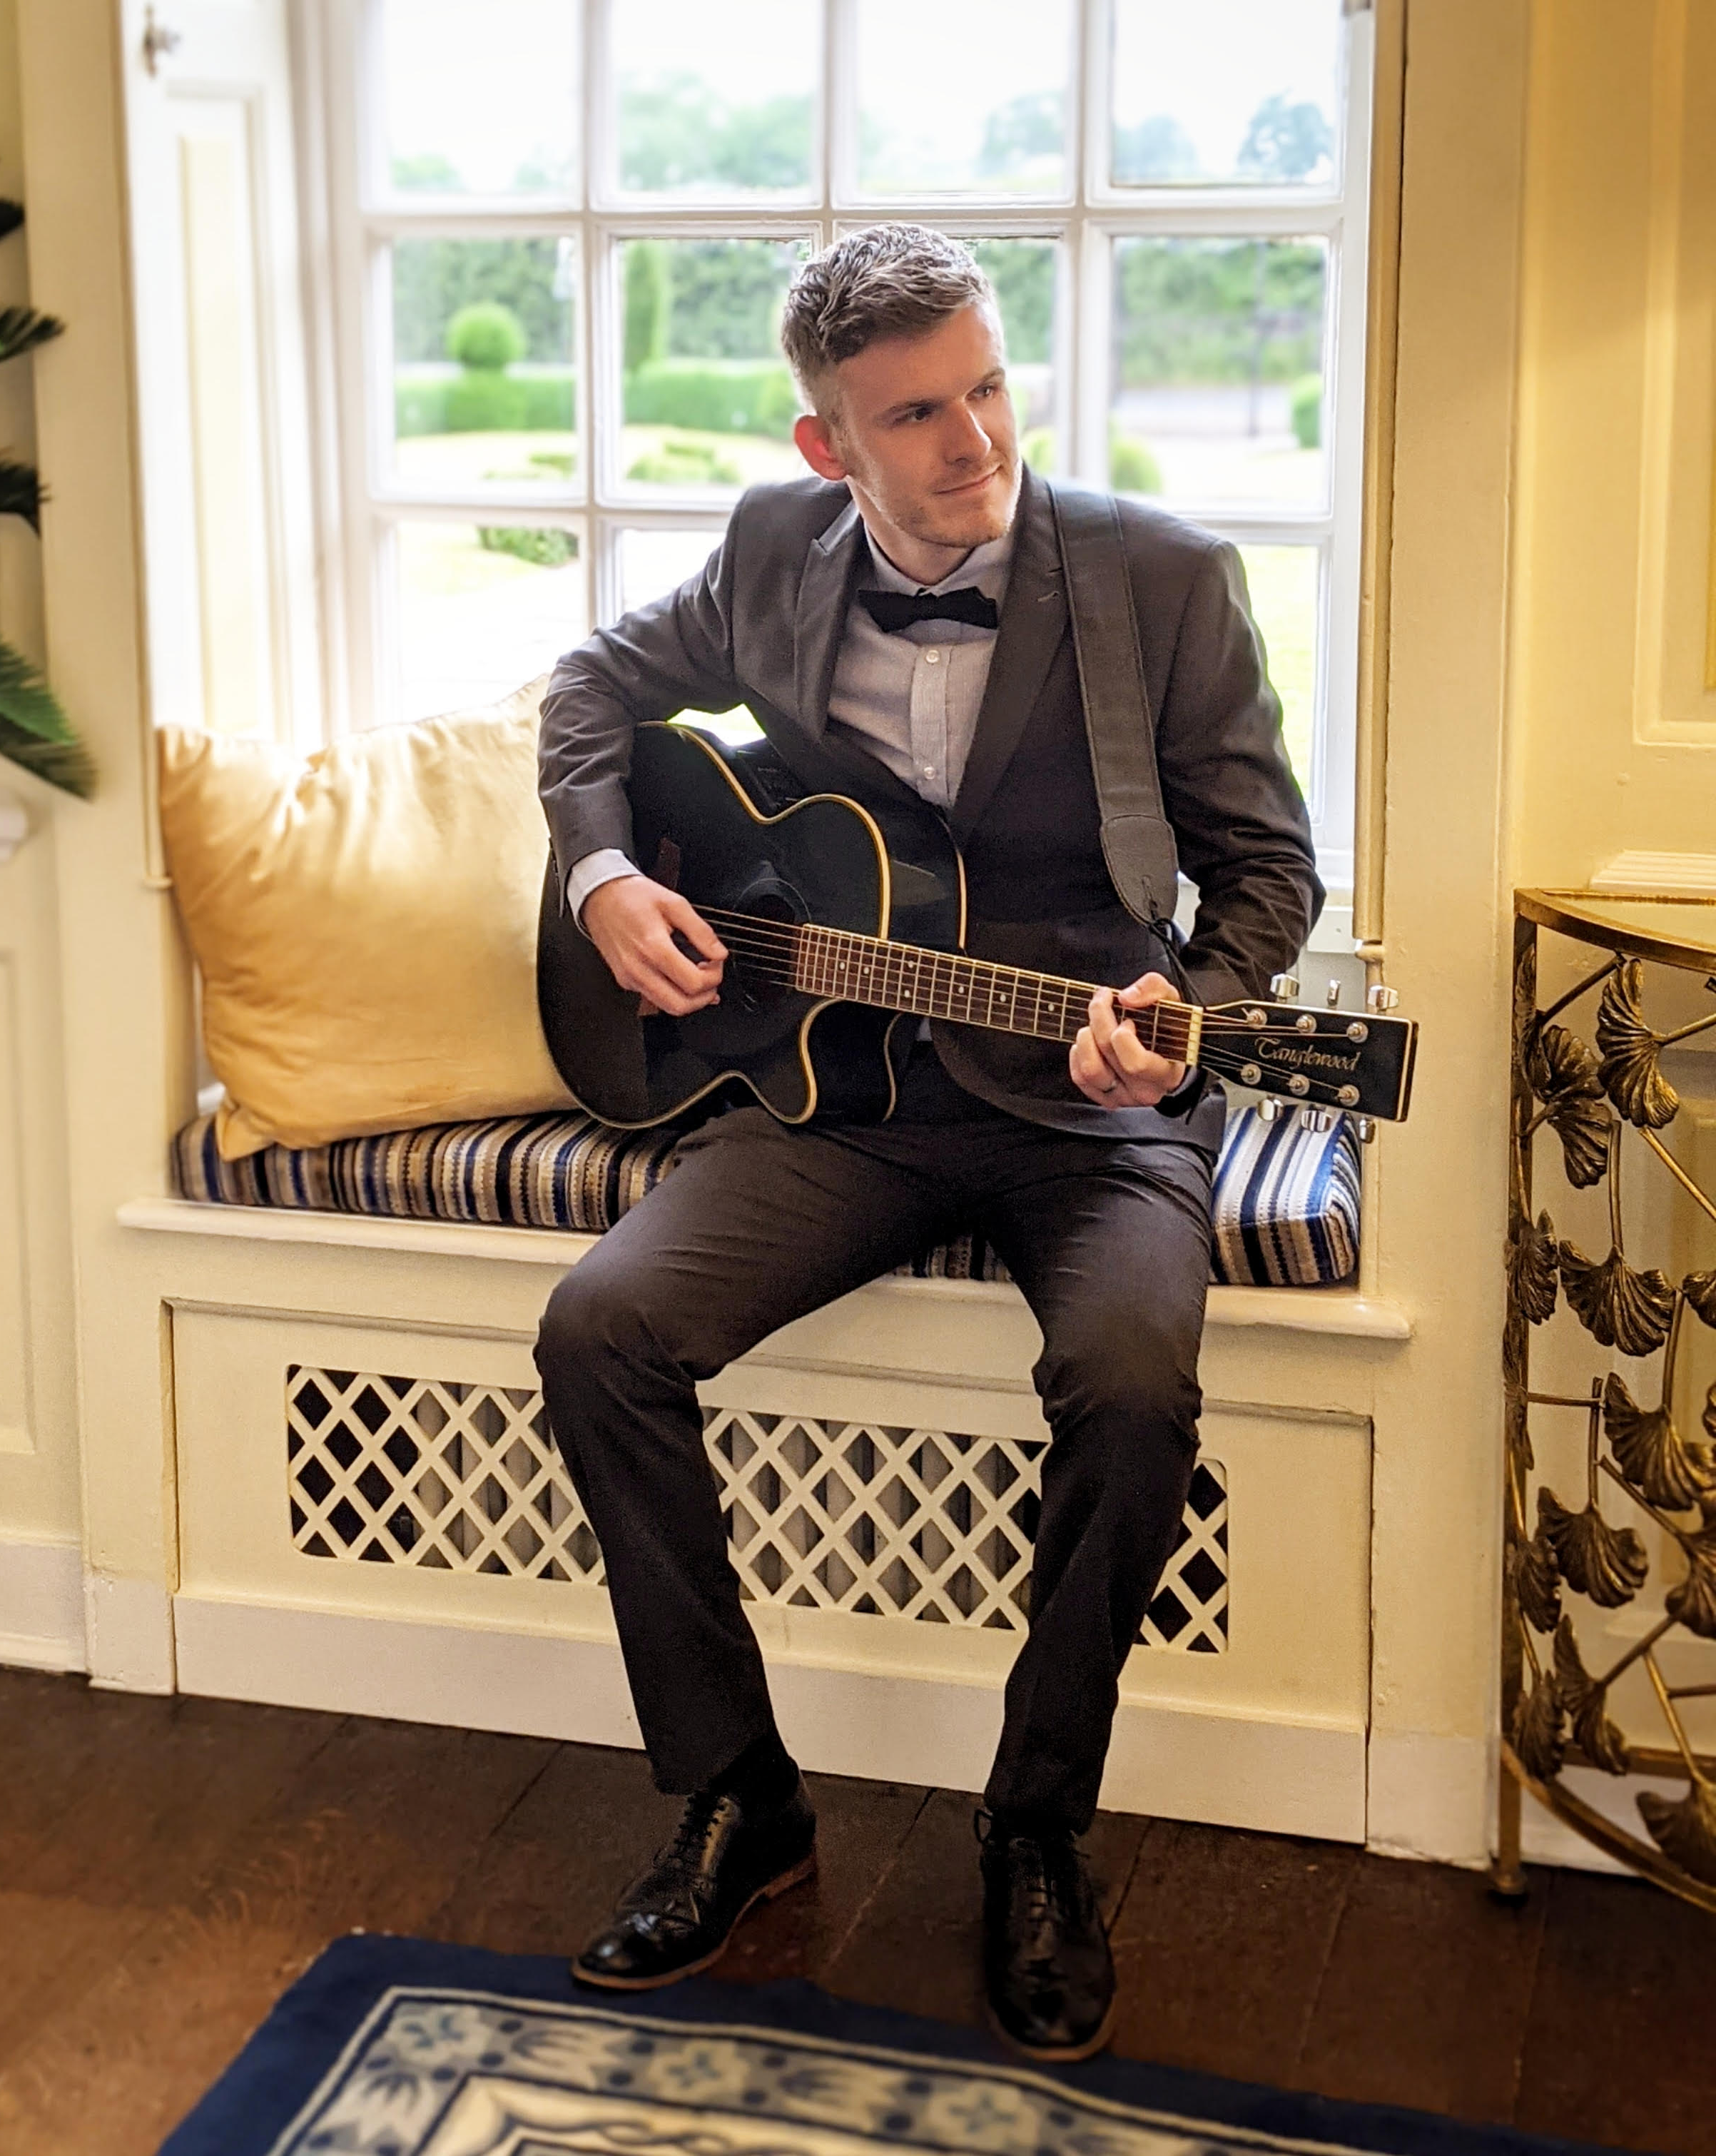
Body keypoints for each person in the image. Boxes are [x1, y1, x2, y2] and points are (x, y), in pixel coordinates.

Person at [532, 223, 1321, 2059]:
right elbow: (588, 689)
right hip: (847, 1101)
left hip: (1089, 1112)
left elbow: (1269, 875)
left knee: (1131, 1381)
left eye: (988, 386)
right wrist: (606, 875)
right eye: (915, 415)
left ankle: (1036, 1823)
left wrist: (1183, 1008)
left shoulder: (1160, 577)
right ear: (830, 447)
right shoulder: (766, 550)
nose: (975, 439)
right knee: (600, 1328)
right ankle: (739, 1793)